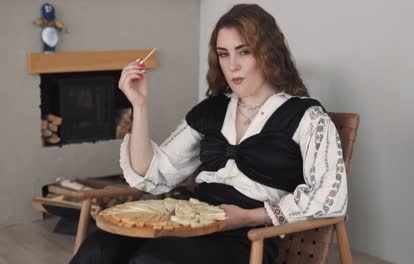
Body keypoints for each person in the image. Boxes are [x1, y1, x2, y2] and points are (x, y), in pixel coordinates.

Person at [70, 3, 347, 264]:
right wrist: (139, 105)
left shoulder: (307, 117)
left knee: (153, 261)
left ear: (268, 53)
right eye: (223, 54)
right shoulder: (212, 110)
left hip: (248, 235)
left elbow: (330, 198)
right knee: (98, 250)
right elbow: (151, 172)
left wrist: (248, 217)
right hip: (191, 218)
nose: (232, 65)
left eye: (244, 51)